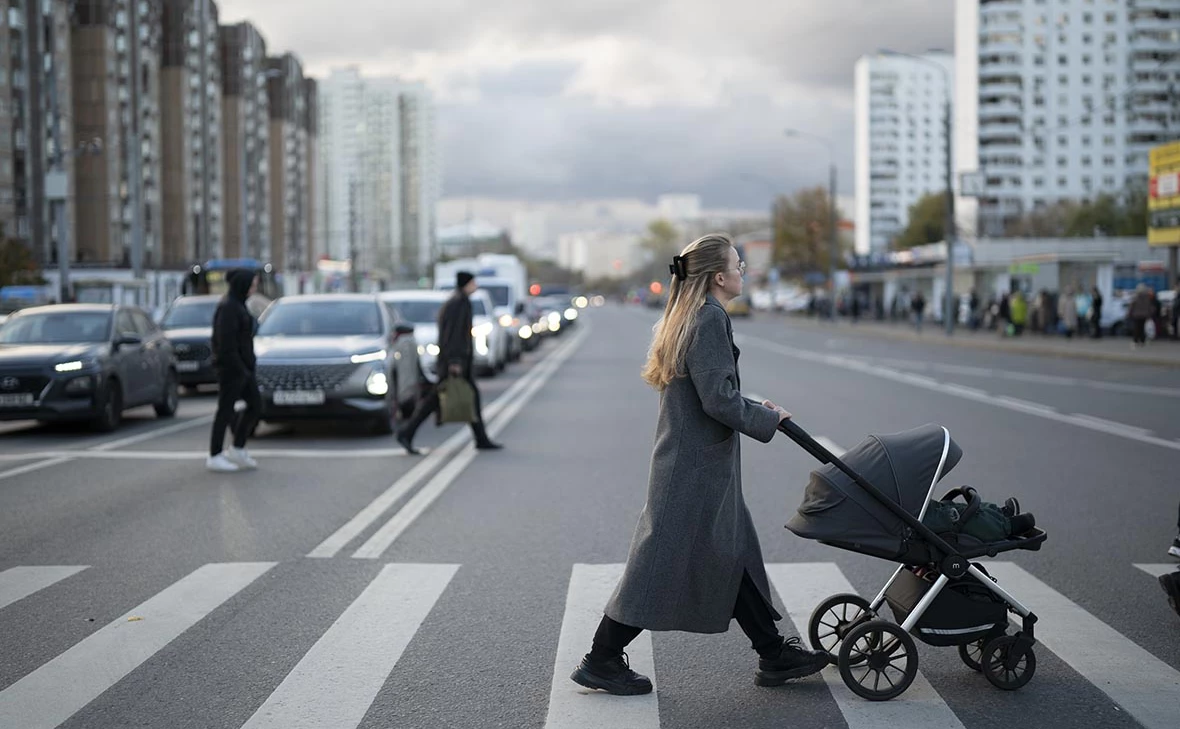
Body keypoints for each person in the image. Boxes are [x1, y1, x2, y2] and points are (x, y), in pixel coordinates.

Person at [569, 235, 829, 697]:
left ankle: (773, 653)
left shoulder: (694, 315)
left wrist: (755, 406)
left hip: (698, 465)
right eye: (737, 263)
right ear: (718, 277)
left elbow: (712, 391)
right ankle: (601, 658)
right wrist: (768, 417)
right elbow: (718, 401)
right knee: (656, 565)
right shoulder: (708, 318)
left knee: (733, 553)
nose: (743, 269)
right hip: (691, 470)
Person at [396, 271, 502, 454]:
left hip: (457, 361)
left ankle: (481, 438)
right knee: (445, 398)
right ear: (466, 284)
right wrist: (454, 361)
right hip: (454, 362)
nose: (475, 286)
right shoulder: (458, 304)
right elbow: (452, 335)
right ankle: (407, 432)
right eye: (472, 283)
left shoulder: (459, 301)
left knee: (459, 398)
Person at [207, 269, 262, 473]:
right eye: (252, 284)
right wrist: (240, 369)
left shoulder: (239, 304)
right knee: (225, 410)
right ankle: (215, 455)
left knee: (256, 406)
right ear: (243, 284)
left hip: (243, 369)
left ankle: (237, 447)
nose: (254, 288)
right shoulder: (228, 307)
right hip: (231, 369)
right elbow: (225, 344)